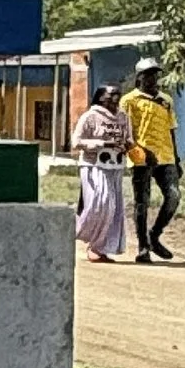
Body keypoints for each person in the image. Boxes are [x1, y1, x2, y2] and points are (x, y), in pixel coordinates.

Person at [123, 60, 181, 264]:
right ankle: (142, 247)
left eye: (155, 75)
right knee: (142, 203)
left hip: (166, 156)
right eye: (148, 75)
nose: (153, 79)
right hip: (141, 157)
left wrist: (177, 158)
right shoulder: (129, 100)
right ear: (139, 77)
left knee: (174, 196)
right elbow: (125, 131)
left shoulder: (165, 100)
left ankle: (154, 235)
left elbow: (171, 129)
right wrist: (139, 151)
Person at [72, 83, 129, 264]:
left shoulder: (123, 117)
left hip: (116, 166)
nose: (116, 98)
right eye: (112, 94)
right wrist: (102, 144)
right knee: (102, 202)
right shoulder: (90, 116)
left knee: (114, 208)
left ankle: (99, 247)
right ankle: (78, 231)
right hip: (93, 165)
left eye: (118, 94)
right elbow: (76, 142)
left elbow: (129, 138)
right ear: (101, 97)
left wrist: (127, 145)